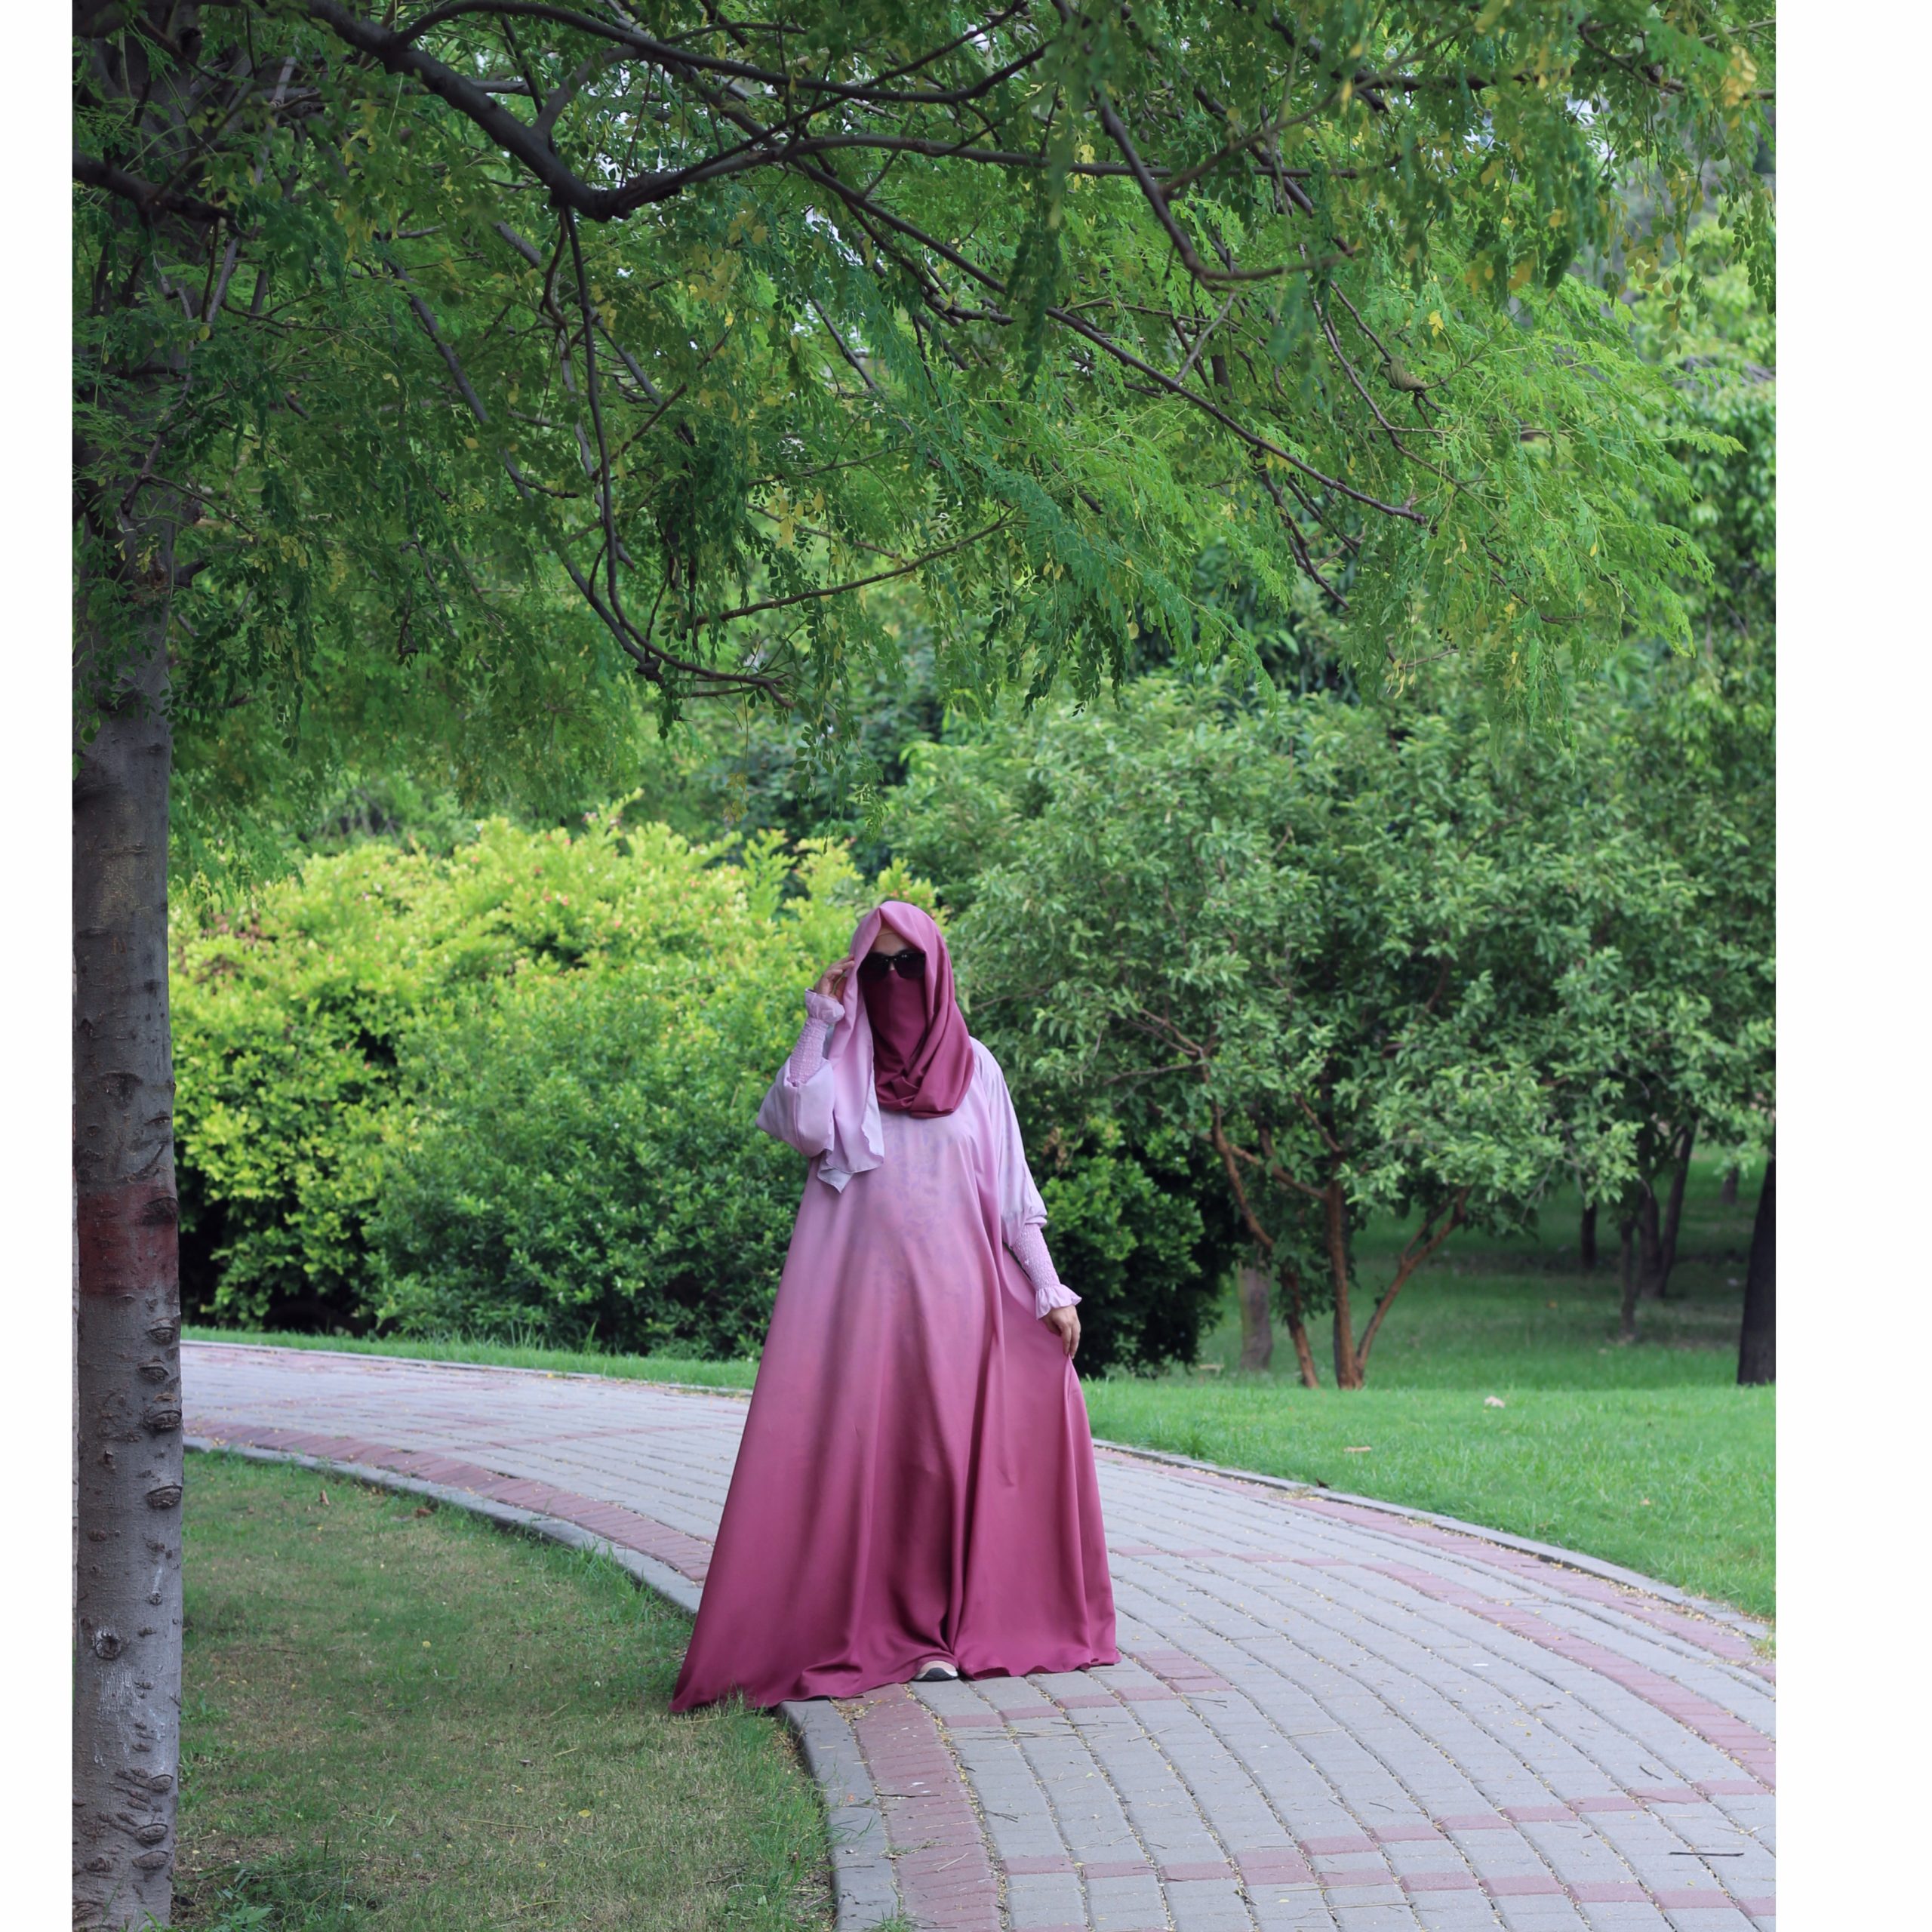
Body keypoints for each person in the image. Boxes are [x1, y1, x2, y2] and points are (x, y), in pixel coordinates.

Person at [669, 900, 1118, 1711]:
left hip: (961, 1304)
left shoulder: (977, 1069)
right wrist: (821, 1019)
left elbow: (1013, 1192)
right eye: (877, 967)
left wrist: (1048, 1287)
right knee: (868, 1460)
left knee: (944, 1458)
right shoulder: (842, 1060)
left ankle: (947, 1630)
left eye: (908, 964)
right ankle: (882, 1628)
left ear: (937, 971)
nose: (894, 980)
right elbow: (798, 1123)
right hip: (860, 1309)